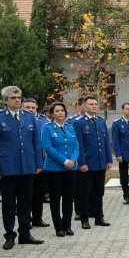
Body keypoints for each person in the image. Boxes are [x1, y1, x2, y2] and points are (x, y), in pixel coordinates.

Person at [0, 85, 44, 249]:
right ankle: (10, 235)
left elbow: (36, 142)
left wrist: (38, 163)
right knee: (9, 204)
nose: (17, 100)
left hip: (27, 166)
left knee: (25, 203)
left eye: (19, 97)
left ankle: (25, 233)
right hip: (7, 167)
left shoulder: (28, 116)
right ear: (5, 100)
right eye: (13, 98)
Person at [40, 101, 79, 237]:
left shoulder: (70, 127)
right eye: (57, 111)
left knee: (68, 198)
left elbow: (76, 146)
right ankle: (59, 227)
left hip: (71, 168)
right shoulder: (47, 128)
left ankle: (67, 225)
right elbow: (48, 148)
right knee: (55, 199)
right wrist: (64, 161)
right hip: (54, 169)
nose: (60, 113)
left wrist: (72, 160)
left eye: (62, 110)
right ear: (52, 114)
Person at [73, 95, 113, 227]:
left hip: (100, 162)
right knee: (85, 192)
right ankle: (84, 219)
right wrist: (81, 162)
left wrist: (108, 159)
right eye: (91, 104)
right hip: (87, 164)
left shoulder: (101, 121)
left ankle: (99, 217)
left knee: (99, 192)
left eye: (96, 104)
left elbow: (106, 142)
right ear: (84, 106)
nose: (94, 106)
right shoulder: (79, 122)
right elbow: (78, 144)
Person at [23, 98, 50, 229]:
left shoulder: (43, 121)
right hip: (26, 162)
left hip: (41, 162)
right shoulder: (20, 120)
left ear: (37, 107)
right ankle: (26, 220)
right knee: (26, 194)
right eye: (27, 107)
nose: (30, 110)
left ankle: (37, 218)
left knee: (39, 193)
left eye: (33, 107)